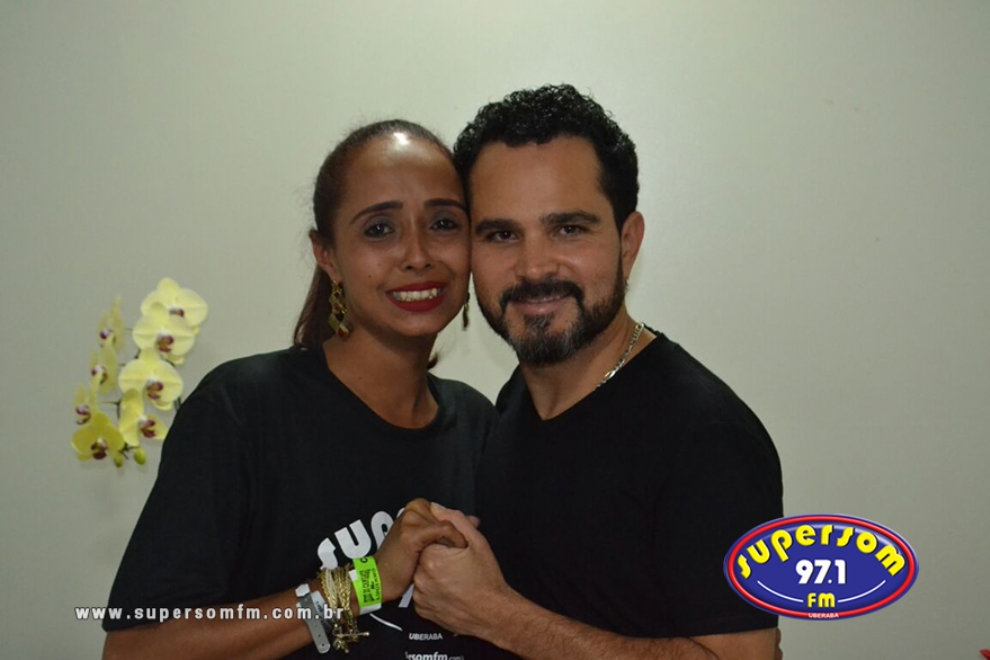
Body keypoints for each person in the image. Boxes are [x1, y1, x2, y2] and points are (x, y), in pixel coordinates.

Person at [411, 85, 784, 659]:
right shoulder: (517, 400)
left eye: (569, 229)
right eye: (502, 234)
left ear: (627, 243)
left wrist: (495, 616)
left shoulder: (705, 437)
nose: (534, 266)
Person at [102, 120, 496, 659]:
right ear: (327, 255)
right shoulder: (243, 409)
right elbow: (134, 650)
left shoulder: (480, 424)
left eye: (444, 223)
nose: (418, 254)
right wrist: (362, 583)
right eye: (380, 229)